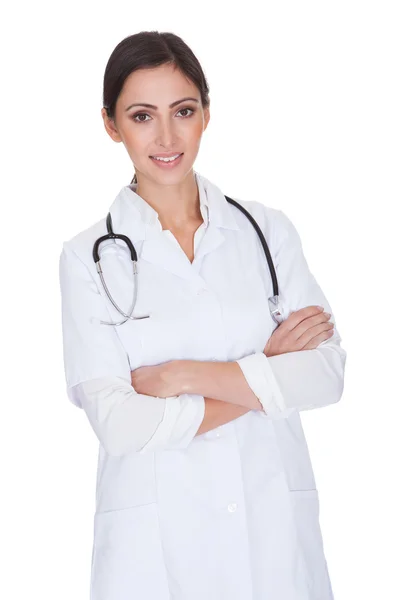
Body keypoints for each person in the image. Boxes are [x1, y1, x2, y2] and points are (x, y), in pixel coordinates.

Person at [58, 30, 346, 600]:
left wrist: (182, 376)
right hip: (154, 553)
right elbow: (120, 426)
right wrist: (266, 372)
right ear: (111, 125)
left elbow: (326, 375)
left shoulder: (267, 232)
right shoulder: (87, 258)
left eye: (183, 111)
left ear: (206, 115)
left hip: (273, 538)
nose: (166, 137)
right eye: (142, 116)